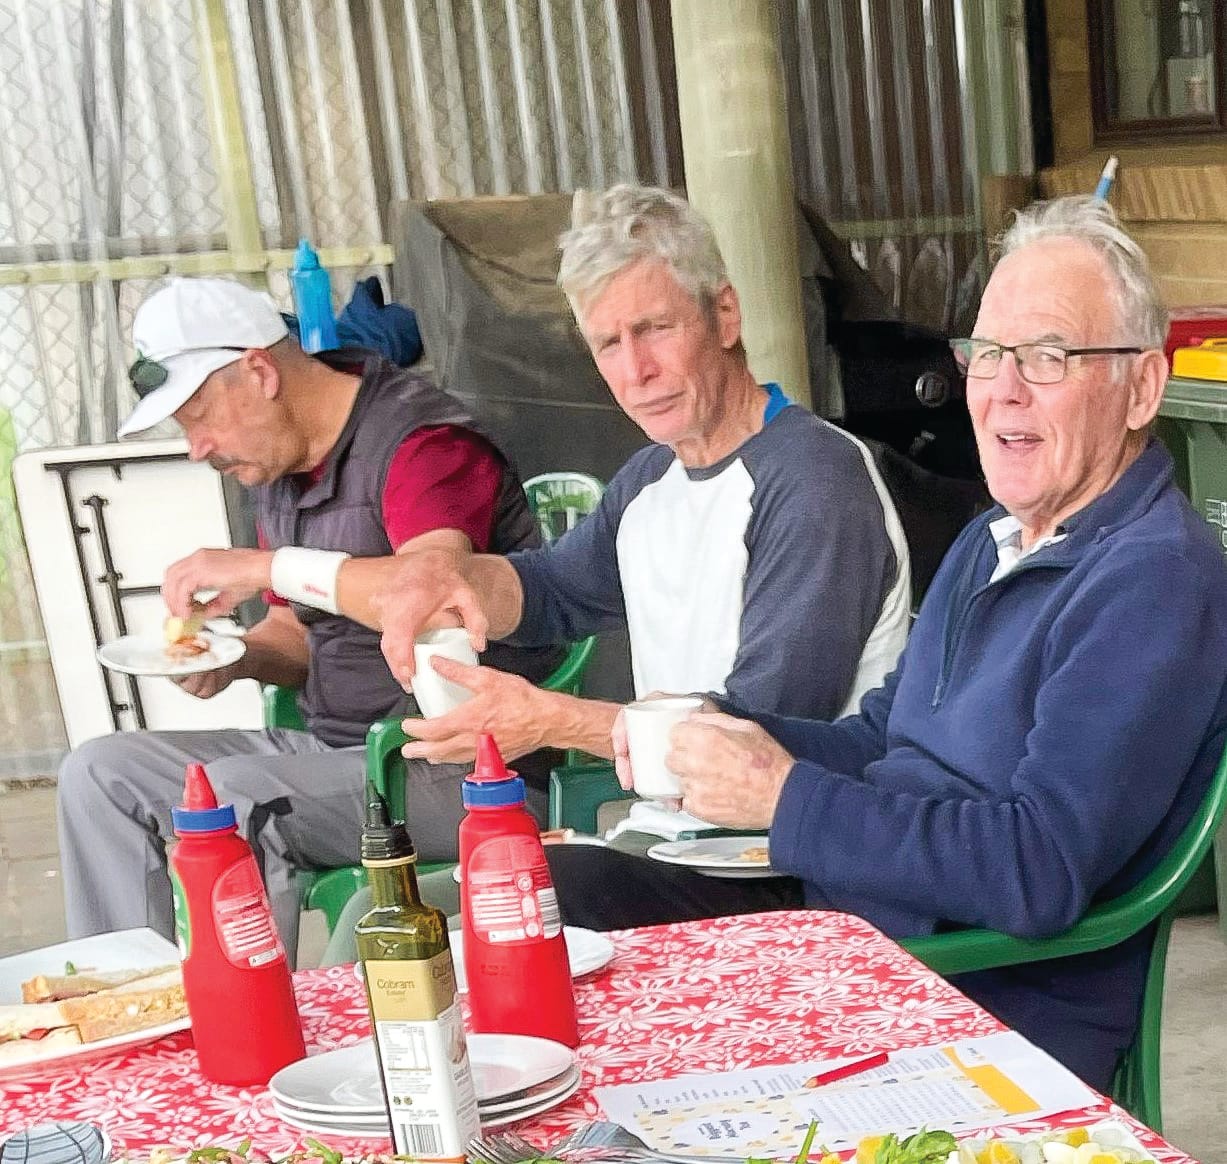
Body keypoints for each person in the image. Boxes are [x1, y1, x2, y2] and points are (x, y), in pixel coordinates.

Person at [548, 195, 1227, 1090]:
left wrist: (785, 799)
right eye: (985, 355)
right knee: (548, 886)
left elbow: (1038, 868)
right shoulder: (998, 537)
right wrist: (723, 728)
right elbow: (881, 738)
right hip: (860, 923)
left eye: (1048, 357)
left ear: (1141, 387)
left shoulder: (1153, 579)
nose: (1001, 390)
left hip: (975, 996)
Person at [370, 182, 910, 861]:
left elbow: (760, 728)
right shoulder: (651, 478)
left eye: (655, 329)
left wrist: (550, 721)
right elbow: (552, 591)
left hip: (788, 857)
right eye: (608, 344)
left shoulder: (813, 480)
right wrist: (446, 580)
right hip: (677, 839)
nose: (636, 372)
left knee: (512, 900)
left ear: (724, 314)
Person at [57, 276, 559, 961]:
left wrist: (264, 568)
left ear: (259, 371)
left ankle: (257, 1025)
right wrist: (234, 656)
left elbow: (434, 592)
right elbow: (298, 640)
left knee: (234, 796)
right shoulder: (282, 470)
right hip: (327, 755)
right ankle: (128, 1004)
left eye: (198, 416)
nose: (195, 447)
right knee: (98, 773)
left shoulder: (424, 443)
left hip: (454, 767)